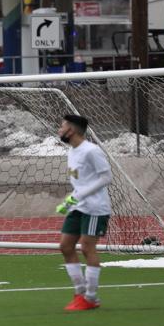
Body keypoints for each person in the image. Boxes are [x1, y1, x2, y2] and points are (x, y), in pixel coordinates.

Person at [54, 113, 112, 312]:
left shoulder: (91, 151)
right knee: (65, 246)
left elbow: (106, 177)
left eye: (62, 127)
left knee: (87, 248)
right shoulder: (72, 151)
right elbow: (82, 181)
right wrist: (71, 200)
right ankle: (80, 292)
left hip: (95, 208)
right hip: (78, 206)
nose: (59, 130)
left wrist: (78, 196)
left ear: (71, 130)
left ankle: (91, 297)